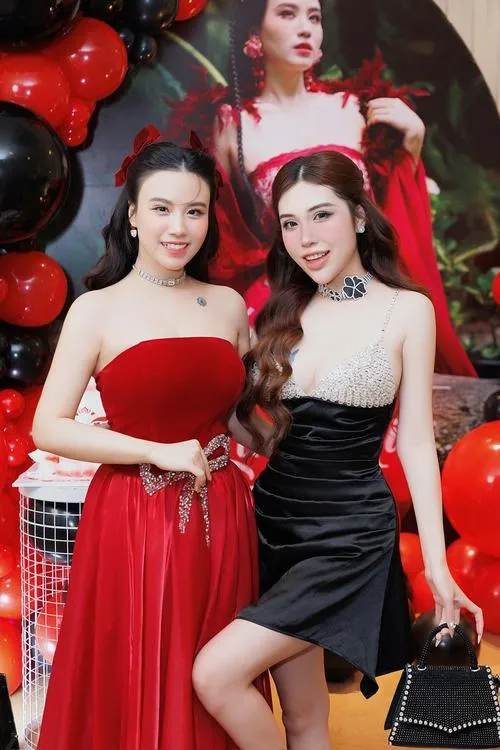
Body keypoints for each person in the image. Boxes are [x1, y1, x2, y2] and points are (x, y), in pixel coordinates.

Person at [189, 151, 484, 750]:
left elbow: (418, 444)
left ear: (359, 216)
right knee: (304, 716)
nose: (305, 238)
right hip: (271, 524)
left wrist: (437, 566)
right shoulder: (282, 309)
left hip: (348, 534)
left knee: (214, 675)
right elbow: (261, 433)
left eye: (321, 215)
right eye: (290, 223)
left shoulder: (407, 309)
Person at [33, 130, 269, 750]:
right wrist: (154, 451)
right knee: (142, 662)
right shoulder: (96, 310)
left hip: (223, 510)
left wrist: (302, 429)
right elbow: (49, 426)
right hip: (135, 514)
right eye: (162, 208)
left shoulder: (227, 305)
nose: (179, 227)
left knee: (216, 669)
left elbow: (236, 418)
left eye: (195, 210)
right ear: (133, 214)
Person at [167, 0, 475, 376]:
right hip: (284, 298)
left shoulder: (352, 109)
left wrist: (412, 143)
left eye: (314, 17)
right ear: (254, 35)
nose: (305, 28)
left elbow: (388, 215)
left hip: (365, 290)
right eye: (287, 13)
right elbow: (224, 234)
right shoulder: (231, 125)